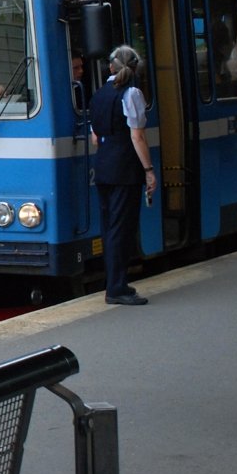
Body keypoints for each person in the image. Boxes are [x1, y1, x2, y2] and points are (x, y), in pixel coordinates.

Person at [89, 45, 155, 305]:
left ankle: (114, 282)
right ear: (135, 67)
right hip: (125, 170)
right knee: (122, 228)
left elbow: (95, 137)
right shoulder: (132, 93)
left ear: (111, 66)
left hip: (103, 167)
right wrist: (149, 171)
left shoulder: (99, 95)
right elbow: (137, 136)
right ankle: (117, 287)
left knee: (109, 229)